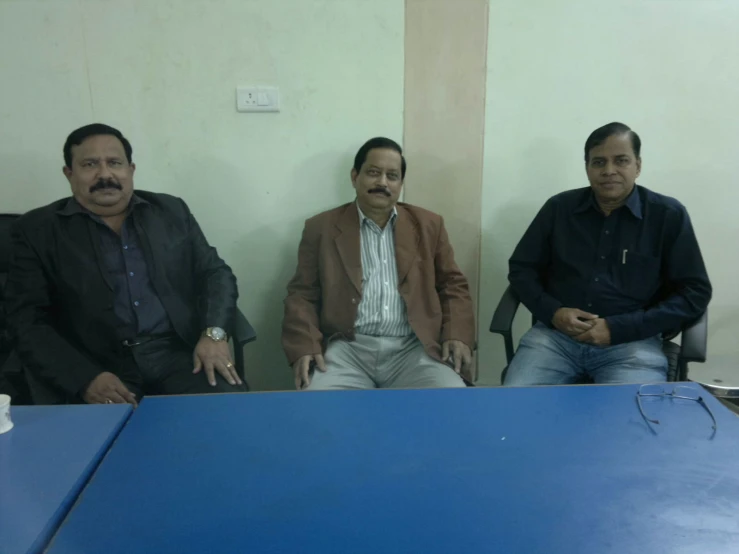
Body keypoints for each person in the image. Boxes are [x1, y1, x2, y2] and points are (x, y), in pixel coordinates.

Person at [5, 123, 246, 405]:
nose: (105, 174)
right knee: (102, 442)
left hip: (178, 354)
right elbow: (27, 319)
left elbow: (215, 274)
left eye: (114, 163)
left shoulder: (170, 211)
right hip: (97, 364)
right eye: (90, 164)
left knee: (229, 413)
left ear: (130, 170)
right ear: (69, 174)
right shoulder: (36, 230)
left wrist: (214, 334)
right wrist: (84, 378)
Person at [503, 122, 712, 386]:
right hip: (555, 339)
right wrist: (553, 312)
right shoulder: (559, 209)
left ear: (638, 165)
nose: (609, 171)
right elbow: (522, 268)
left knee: (633, 421)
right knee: (515, 410)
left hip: (633, 343)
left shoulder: (667, 215)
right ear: (587, 167)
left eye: (621, 161)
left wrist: (620, 328)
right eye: (599, 162)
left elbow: (695, 291)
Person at [282, 137, 476, 390]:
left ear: (400, 184)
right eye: (373, 173)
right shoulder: (321, 228)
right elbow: (302, 294)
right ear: (355, 177)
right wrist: (304, 345)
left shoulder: (429, 225)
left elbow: (453, 286)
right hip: (347, 350)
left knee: (452, 399)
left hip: (414, 348)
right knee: (318, 404)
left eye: (392, 176)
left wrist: (456, 333)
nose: (382, 182)